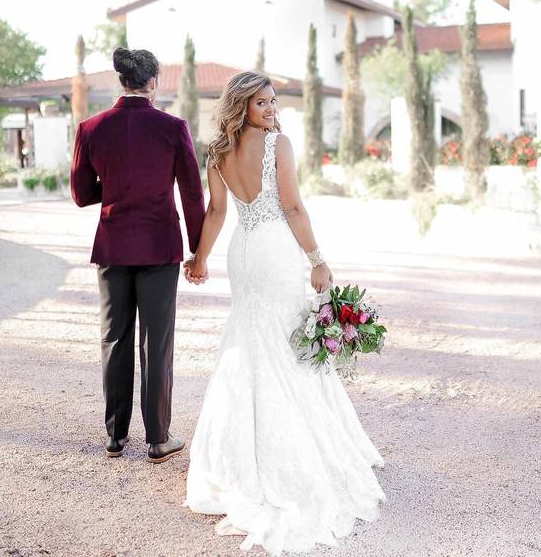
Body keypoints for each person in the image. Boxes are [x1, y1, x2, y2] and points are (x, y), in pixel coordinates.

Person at [181, 71, 386, 555]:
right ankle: (290, 459)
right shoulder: (280, 145)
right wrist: (317, 259)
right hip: (274, 251)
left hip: (243, 252)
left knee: (252, 342)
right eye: (262, 103)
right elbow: (292, 207)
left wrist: (201, 258)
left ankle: (242, 454)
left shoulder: (216, 152)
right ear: (242, 106)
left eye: (273, 102)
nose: (272, 110)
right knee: (285, 345)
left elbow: (217, 213)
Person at [70, 47, 205, 464]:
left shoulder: (91, 128)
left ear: (120, 81)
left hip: (112, 246)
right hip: (160, 246)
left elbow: (80, 194)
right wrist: (198, 249)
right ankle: (158, 439)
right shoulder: (173, 127)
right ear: (153, 82)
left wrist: (110, 192)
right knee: (156, 343)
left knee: (114, 339)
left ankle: (115, 437)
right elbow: (191, 193)